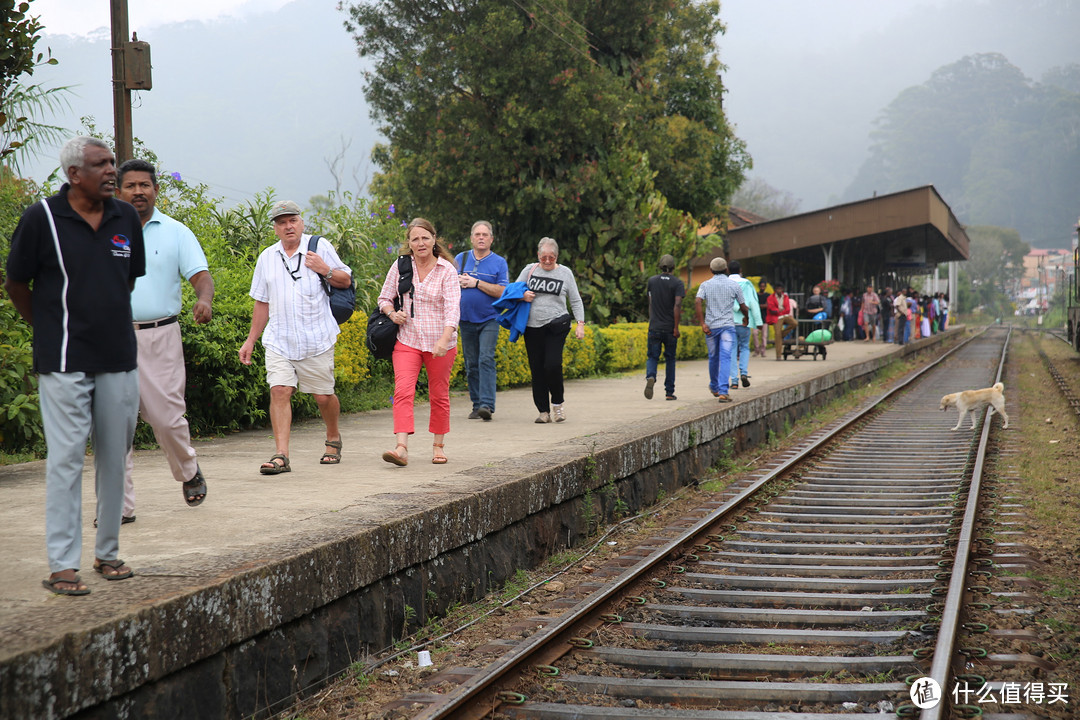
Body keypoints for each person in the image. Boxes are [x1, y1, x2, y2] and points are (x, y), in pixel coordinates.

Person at [4, 136, 145, 594]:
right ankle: (62, 565)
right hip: (63, 359)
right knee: (65, 460)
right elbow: (17, 282)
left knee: (114, 457)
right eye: (100, 165)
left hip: (118, 357)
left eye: (112, 164)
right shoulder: (41, 217)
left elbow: (124, 281)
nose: (111, 171)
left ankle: (108, 554)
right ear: (73, 175)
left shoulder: (125, 216)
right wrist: (46, 328)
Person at [116, 159, 213, 519]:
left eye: (145, 185)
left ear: (156, 190)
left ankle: (188, 470)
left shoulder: (176, 232)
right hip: (112, 338)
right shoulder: (104, 231)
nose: (138, 191)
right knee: (115, 423)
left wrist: (204, 300)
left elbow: (201, 276)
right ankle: (119, 507)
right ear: (118, 191)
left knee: (167, 419)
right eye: (131, 185)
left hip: (161, 336)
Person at [238, 200, 352, 474]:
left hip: (316, 338)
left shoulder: (319, 247)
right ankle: (281, 455)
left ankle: (333, 436)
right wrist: (251, 340)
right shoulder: (267, 257)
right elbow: (262, 302)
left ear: (301, 223)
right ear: (275, 229)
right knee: (279, 390)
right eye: (281, 222)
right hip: (279, 339)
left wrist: (324, 268)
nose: (288, 226)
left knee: (323, 397)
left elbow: (345, 280)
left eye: (292, 220)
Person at [377, 218, 460, 465]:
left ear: (434, 240)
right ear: (409, 244)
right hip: (408, 339)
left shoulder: (447, 270)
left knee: (439, 394)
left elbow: (453, 309)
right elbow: (384, 298)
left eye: (425, 237)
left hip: (440, 343)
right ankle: (401, 447)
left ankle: (438, 445)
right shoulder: (401, 266)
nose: (420, 243)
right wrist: (393, 314)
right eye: (415, 239)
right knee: (402, 391)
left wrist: (445, 339)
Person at [517, 237, 586, 423]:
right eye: (544, 257)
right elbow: (513, 290)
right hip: (532, 327)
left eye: (551, 257)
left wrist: (580, 323)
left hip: (557, 325)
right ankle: (543, 411)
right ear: (538, 255)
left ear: (557, 256)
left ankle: (557, 404)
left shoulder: (565, 273)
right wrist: (522, 295)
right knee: (537, 369)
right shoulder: (529, 270)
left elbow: (575, 299)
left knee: (552, 365)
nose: (547, 261)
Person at [455, 221, 508, 421]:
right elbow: (449, 284)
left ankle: (487, 405)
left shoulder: (499, 262)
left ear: (491, 239)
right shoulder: (461, 258)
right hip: (465, 319)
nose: (481, 237)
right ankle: (476, 405)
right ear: (471, 238)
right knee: (471, 363)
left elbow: (502, 291)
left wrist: (476, 283)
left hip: (490, 318)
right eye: (477, 234)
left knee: (485, 358)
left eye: (485, 234)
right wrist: (458, 282)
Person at [694, 257, 747, 403]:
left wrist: (702, 323)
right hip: (727, 328)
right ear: (726, 270)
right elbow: (743, 306)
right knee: (725, 357)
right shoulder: (734, 285)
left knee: (713, 357)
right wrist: (746, 317)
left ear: (711, 270)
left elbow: (698, 301)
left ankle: (714, 386)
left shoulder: (705, 285)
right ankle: (723, 391)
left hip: (711, 328)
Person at [644, 254, 685, 401]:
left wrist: (652, 321)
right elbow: (677, 305)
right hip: (669, 328)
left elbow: (651, 302)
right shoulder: (677, 283)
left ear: (660, 266)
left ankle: (651, 376)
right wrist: (676, 327)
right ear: (673, 267)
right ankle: (669, 392)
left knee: (652, 356)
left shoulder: (652, 281)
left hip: (654, 326)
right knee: (670, 359)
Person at [727, 260, 760, 391]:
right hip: (745, 321)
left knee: (732, 350)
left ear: (728, 270)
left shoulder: (726, 284)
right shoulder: (747, 284)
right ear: (740, 270)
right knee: (745, 347)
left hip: (729, 321)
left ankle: (734, 381)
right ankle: (744, 373)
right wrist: (758, 322)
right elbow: (752, 302)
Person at [765, 283, 798, 360]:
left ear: (782, 289)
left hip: (785, 315)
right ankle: (778, 356)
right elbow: (771, 308)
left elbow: (787, 309)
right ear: (775, 290)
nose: (779, 290)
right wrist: (778, 311)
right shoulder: (771, 297)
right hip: (776, 317)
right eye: (777, 289)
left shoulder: (785, 297)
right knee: (777, 334)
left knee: (794, 323)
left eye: (780, 289)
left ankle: (782, 334)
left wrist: (779, 311)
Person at [753, 278, 770, 357]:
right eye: (761, 286)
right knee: (755, 333)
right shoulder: (755, 295)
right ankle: (756, 350)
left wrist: (758, 306)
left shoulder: (767, 296)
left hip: (764, 318)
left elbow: (767, 305)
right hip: (756, 318)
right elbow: (754, 305)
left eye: (764, 286)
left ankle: (763, 351)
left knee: (764, 336)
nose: (762, 288)